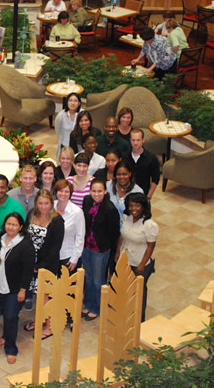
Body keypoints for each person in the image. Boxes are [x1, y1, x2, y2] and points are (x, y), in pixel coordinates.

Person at [0, 212, 35, 364]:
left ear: (21, 227)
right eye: (8, 224)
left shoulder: (25, 245)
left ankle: (11, 349)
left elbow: (28, 270)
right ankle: (6, 335)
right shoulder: (0, 239)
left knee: (11, 317)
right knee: (5, 313)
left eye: (14, 225)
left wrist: (23, 290)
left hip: (15, 288)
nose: (10, 227)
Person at [24, 190, 65, 338]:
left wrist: (40, 265)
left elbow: (55, 248)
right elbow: (25, 237)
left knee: (46, 296)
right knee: (38, 295)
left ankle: (49, 327)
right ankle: (40, 320)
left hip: (47, 265)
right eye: (40, 203)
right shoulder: (31, 215)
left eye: (46, 203)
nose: (43, 206)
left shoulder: (57, 221)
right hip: (31, 263)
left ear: (51, 203)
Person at [81, 178, 120, 321]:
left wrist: (108, 249)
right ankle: (89, 304)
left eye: (99, 191)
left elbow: (114, 233)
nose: (96, 194)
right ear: (90, 191)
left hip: (100, 250)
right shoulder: (86, 201)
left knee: (98, 280)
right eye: (93, 191)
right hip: (86, 246)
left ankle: (98, 307)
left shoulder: (110, 209)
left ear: (105, 191)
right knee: (88, 278)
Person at [115, 193, 158, 321]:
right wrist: (118, 252)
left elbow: (150, 246)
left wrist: (141, 264)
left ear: (143, 207)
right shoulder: (126, 217)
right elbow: (122, 236)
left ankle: (139, 319)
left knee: (139, 292)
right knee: (126, 289)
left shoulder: (150, 225)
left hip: (139, 263)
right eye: (131, 205)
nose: (134, 208)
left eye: (137, 206)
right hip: (126, 260)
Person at [54, 179, 85, 274]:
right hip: (51, 256)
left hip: (68, 256)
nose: (63, 194)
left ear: (70, 193)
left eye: (66, 191)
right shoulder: (50, 207)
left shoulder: (77, 212)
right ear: (56, 192)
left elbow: (80, 236)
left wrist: (75, 258)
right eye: (60, 190)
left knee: (67, 287)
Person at [123, 128, 161, 198]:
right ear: (130, 140)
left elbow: (155, 179)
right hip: (127, 194)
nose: (135, 143)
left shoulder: (151, 158)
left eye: (138, 140)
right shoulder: (124, 157)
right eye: (133, 140)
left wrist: (149, 196)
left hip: (144, 194)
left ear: (143, 140)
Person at [55, 92, 82, 159]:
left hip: (79, 145)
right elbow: (57, 130)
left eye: (75, 101)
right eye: (70, 100)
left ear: (79, 103)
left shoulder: (82, 114)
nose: (73, 103)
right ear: (67, 102)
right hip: (65, 145)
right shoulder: (61, 115)